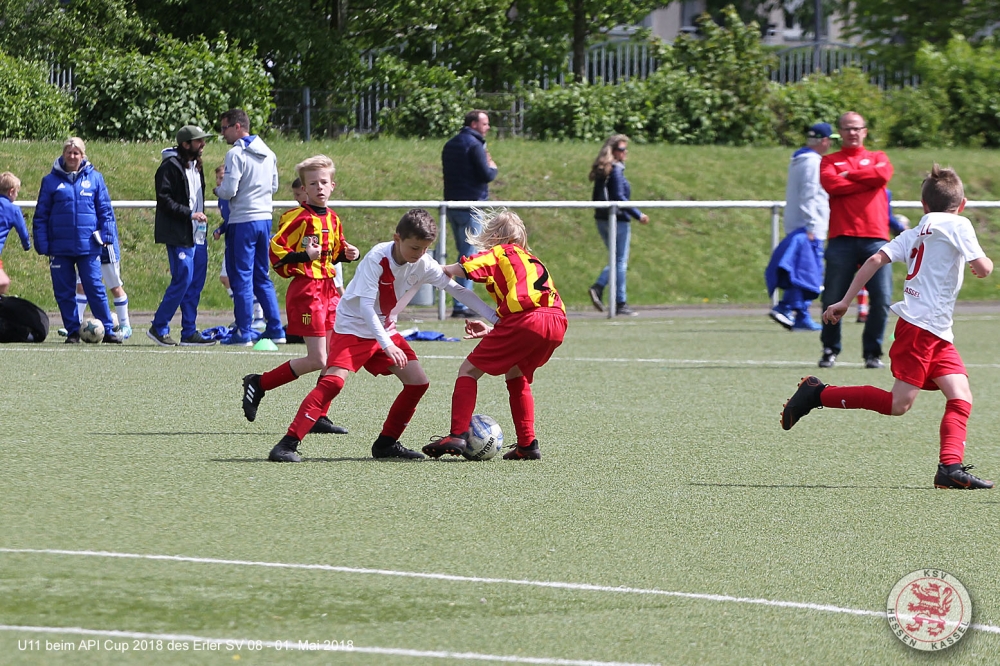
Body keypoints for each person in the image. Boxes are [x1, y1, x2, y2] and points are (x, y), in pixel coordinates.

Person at [782, 165, 994, 490]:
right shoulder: (958, 223)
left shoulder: (915, 232)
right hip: (922, 329)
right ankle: (817, 394)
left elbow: (874, 260)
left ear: (924, 205)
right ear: (962, 204)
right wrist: (982, 265)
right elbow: (984, 267)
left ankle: (949, 468)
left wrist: (844, 301)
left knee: (961, 395)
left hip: (935, 332)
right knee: (899, 405)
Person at [268, 208, 498, 463]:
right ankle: (286, 444)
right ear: (397, 238)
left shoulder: (423, 262)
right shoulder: (378, 257)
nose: (420, 254)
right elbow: (366, 307)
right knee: (333, 383)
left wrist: (497, 319)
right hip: (353, 327)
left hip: (383, 329)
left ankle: (386, 443)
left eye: (425, 249)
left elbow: (459, 291)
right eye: (414, 247)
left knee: (418, 382)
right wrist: (387, 345)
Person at [422, 209, 567, 461]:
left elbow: (470, 267)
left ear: (495, 237)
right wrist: (495, 330)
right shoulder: (532, 260)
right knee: (516, 373)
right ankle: (527, 444)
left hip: (527, 320)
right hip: (557, 322)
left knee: (468, 370)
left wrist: (442, 269)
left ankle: (457, 434)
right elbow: (533, 303)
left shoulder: (503, 252)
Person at [241, 155, 360, 437]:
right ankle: (259, 383)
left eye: (324, 182)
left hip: (329, 290)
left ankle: (319, 415)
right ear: (304, 189)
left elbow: (334, 252)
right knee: (318, 358)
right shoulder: (298, 218)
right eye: (313, 184)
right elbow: (276, 251)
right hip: (307, 292)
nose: (319, 188)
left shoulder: (333, 218)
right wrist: (303, 256)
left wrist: (349, 253)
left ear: (332, 185)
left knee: (334, 356)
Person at [818, 111, 894, 369]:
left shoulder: (879, 157)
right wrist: (866, 180)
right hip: (842, 238)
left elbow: (882, 176)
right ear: (840, 132)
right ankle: (830, 348)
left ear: (865, 131)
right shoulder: (829, 161)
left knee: (881, 298)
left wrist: (849, 175)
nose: (852, 132)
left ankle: (872, 353)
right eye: (847, 128)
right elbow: (832, 185)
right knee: (833, 296)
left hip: (876, 238)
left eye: (857, 128)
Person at [33, 137, 121, 344]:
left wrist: (107, 235)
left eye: (76, 153)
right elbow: (41, 215)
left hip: (88, 246)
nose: (72, 156)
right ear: (63, 154)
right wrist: (42, 243)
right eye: (69, 152)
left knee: (95, 288)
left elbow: (105, 210)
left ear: (83, 155)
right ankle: (73, 330)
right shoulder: (50, 181)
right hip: (59, 247)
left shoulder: (95, 178)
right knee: (64, 291)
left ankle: (107, 330)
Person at [215, 108, 284, 346]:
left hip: (242, 221)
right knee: (262, 276)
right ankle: (275, 328)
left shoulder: (235, 154)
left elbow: (229, 190)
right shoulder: (269, 153)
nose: (222, 133)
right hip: (264, 219)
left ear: (237, 127)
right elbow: (274, 187)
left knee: (241, 277)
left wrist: (217, 191)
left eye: (224, 128)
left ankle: (243, 331)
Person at [148, 125, 217, 347]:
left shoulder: (197, 165)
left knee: (195, 281)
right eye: (199, 141)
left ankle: (189, 331)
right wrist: (189, 214)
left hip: (198, 233)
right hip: (178, 232)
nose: (203, 144)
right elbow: (164, 199)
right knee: (183, 278)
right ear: (186, 144)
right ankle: (159, 327)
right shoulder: (169, 166)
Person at [769, 122, 838, 331]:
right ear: (824, 141)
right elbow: (808, 195)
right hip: (809, 226)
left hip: (801, 224)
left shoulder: (801, 160)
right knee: (808, 271)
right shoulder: (812, 163)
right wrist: (811, 225)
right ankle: (786, 307)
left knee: (803, 269)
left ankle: (801, 314)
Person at [442, 109, 498, 318]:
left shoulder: (450, 144)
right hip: (472, 207)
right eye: (485, 124)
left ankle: (459, 301)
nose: (488, 127)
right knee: (469, 257)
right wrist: (493, 167)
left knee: (463, 252)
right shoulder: (475, 145)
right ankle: (461, 304)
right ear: (474, 124)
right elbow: (486, 173)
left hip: (452, 206)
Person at [587, 134, 649, 317]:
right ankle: (607, 293)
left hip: (602, 219)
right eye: (622, 149)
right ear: (613, 151)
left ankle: (617, 300)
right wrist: (638, 214)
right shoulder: (615, 169)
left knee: (616, 259)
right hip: (617, 219)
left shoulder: (603, 169)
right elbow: (619, 197)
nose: (625, 152)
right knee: (619, 260)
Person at [213, 164, 266, 332]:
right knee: (226, 278)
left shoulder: (236, 195)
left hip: (242, 239)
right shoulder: (222, 198)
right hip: (232, 240)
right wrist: (220, 230)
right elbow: (229, 220)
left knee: (247, 278)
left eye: (223, 178)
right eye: (218, 178)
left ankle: (257, 316)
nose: (220, 181)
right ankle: (245, 314)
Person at [0, 172, 30, 294]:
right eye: (17, 192)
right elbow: (23, 231)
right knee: (3, 282)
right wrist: (26, 245)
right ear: (11, 192)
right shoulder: (13, 210)